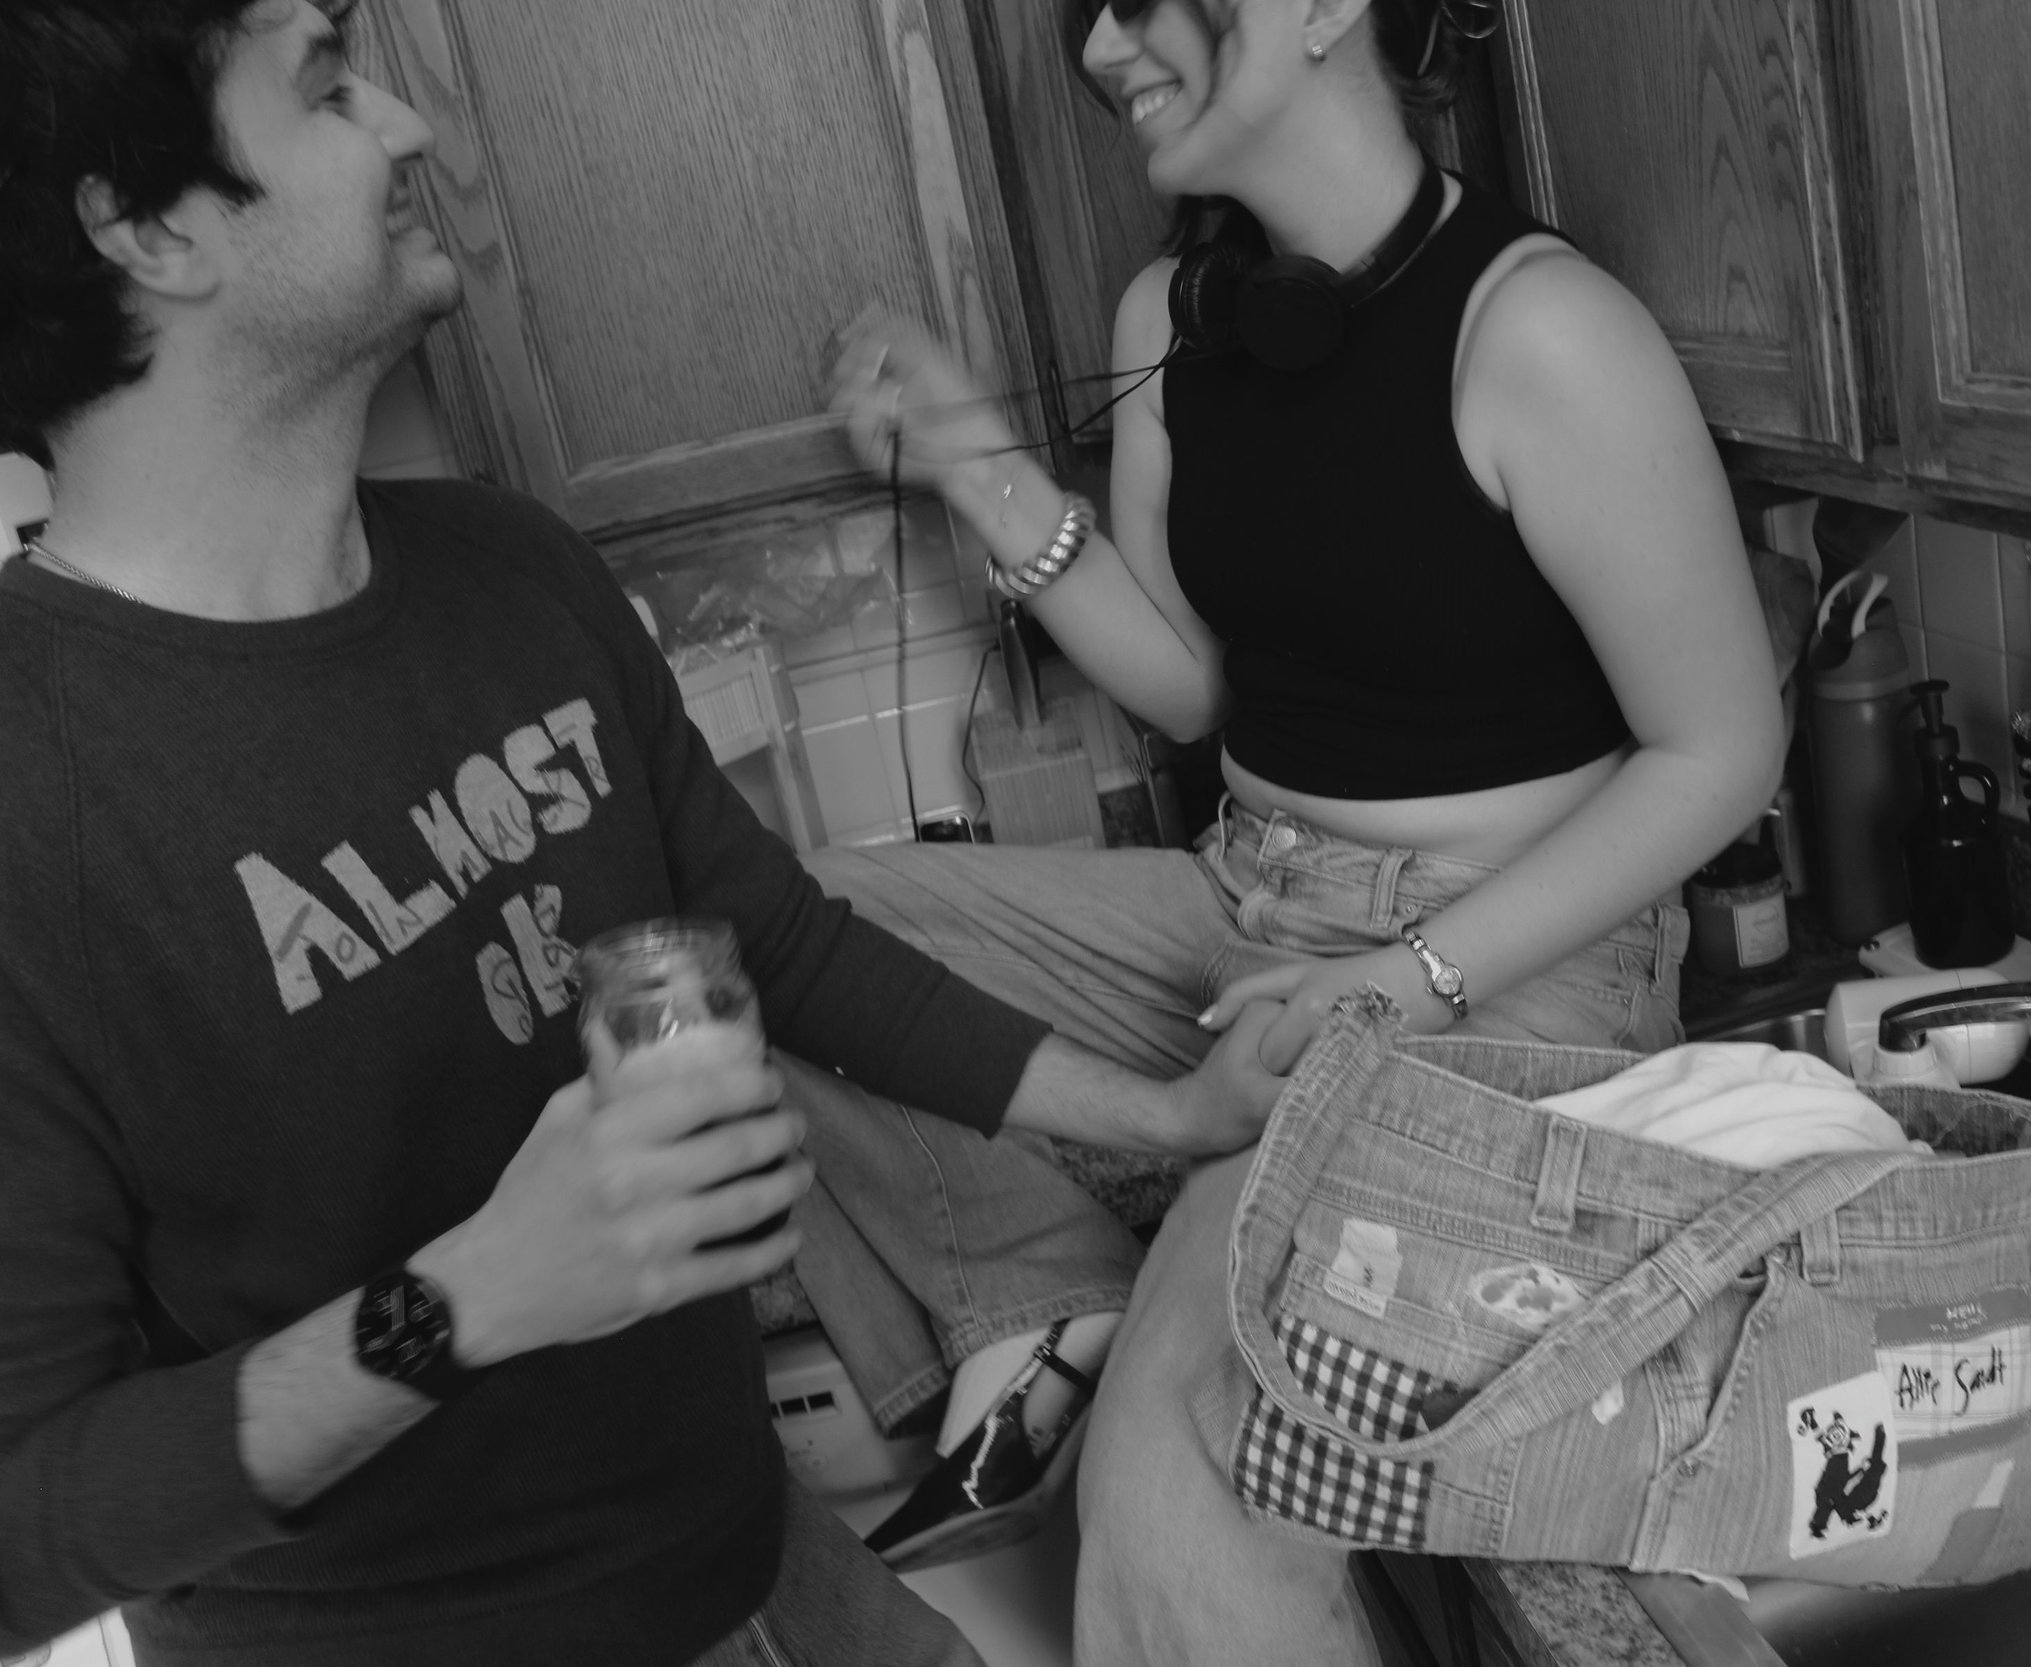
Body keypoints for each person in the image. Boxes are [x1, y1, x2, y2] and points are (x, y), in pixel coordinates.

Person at [0, 4, 1283, 1665]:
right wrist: (456, 1306)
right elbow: (23, 1528)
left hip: (759, 1561)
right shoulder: (34, 808)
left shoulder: (506, 573)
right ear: (149, 227)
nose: (406, 127)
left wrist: (1170, 1111)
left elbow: (793, 941)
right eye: (326, 86)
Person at [802, 0, 1787, 1657]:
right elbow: (1194, 686)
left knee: (1191, 1467)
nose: (1106, 46)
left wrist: (1408, 979)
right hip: (1245, 900)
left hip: (1511, 960)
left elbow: (1725, 749)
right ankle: (1047, 1309)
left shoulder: (1539, 332)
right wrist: (978, 468)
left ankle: (1146, 1333)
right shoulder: (1176, 315)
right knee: (775, 929)